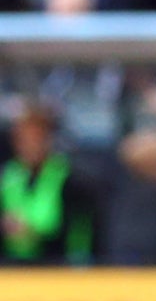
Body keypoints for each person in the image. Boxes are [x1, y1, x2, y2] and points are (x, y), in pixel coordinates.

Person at [1, 105, 95, 265]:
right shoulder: (8, 175)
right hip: (10, 265)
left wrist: (33, 232)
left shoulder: (70, 179)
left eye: (36, 138)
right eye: (24, 140)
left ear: (48, 139)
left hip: (54, 264)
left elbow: (78, 232)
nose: (30, 146)